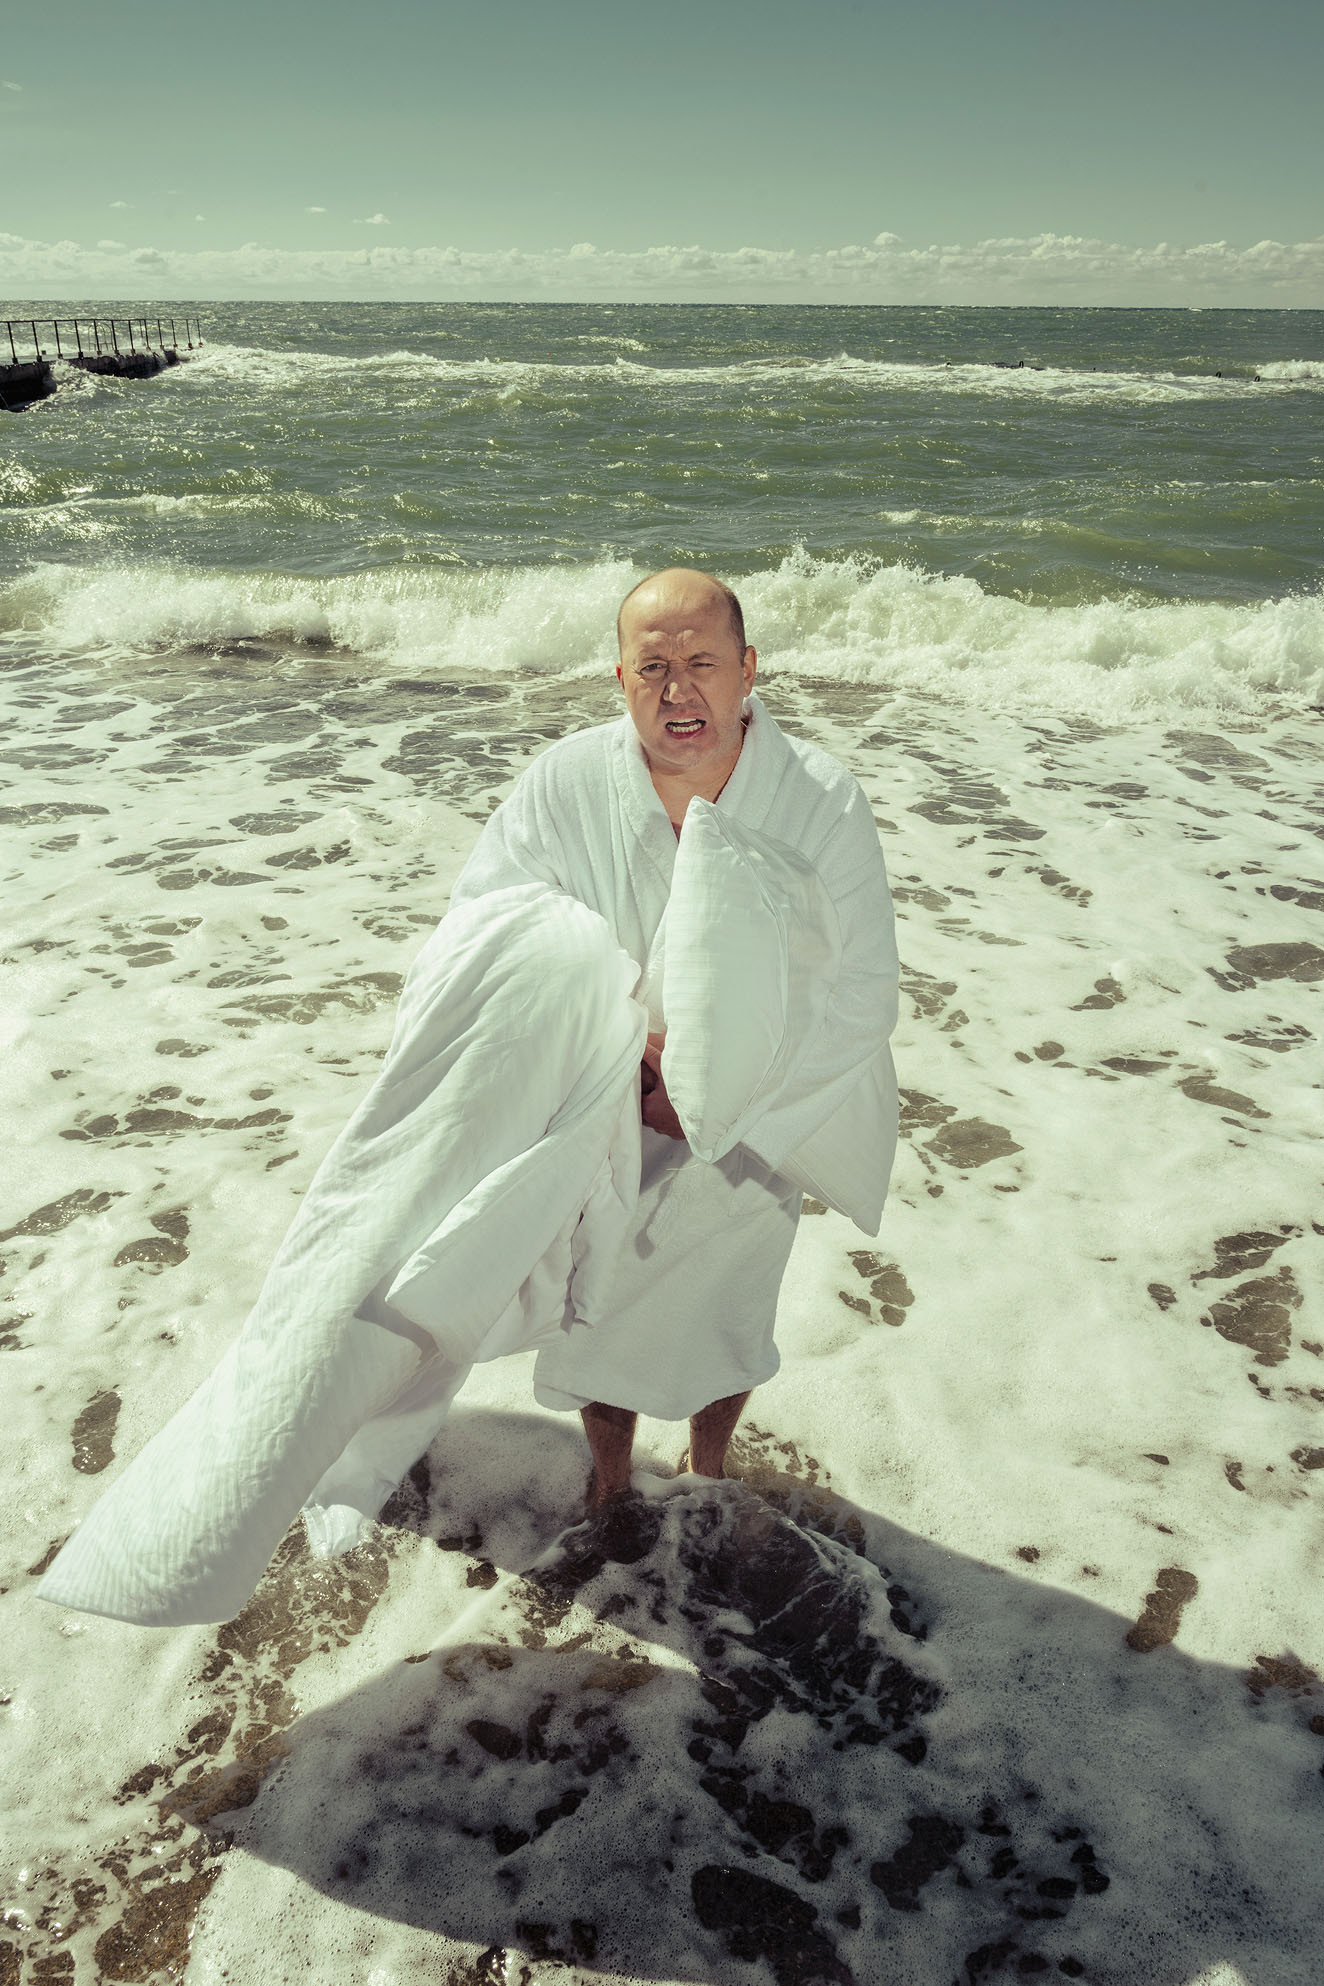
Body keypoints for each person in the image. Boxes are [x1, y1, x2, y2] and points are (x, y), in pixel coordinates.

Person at [449, 567, 899, 1511]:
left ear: (748, 670)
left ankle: (708, 1471)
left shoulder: (820, 797)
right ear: (620, 678)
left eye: (703, 662)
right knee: (601, 1309)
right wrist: (619, 1055)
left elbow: (862, 991)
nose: (677, 688)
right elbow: (489, 924)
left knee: (728, 1314)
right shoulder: (567, 782)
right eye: (652, 666)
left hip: (755, 1120)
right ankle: (611, 1483)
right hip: (603, 1102)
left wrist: (714, 1094)